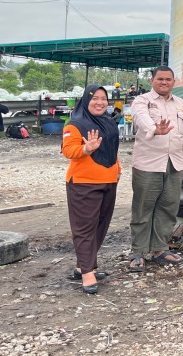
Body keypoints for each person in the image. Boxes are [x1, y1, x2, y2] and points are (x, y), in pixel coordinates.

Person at [128, 66, 183, 272]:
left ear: (174, 82)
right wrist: (155, 129)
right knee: (143, 207)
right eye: (160, 79)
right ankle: (138, 251)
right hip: (148, 163)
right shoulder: (142, 101)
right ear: (152, 81)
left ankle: (160, 249)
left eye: (168, 79)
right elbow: (141, 119)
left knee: (168, 207)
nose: (164, 82)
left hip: (174, 163)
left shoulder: (181, 105)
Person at [61, 84, 121, 294]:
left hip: (108, 180)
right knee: (85, 228)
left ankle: (83, 266)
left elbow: (113, 150)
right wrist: (86, 148)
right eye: (95, 98)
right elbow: (68, 150)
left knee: (100, 226)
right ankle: (87, 272)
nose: (100, 102)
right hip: (84, 183)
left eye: (104, 98)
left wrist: (117, 169)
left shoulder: (109, 123)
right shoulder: (75, 124)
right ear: (86, 100)